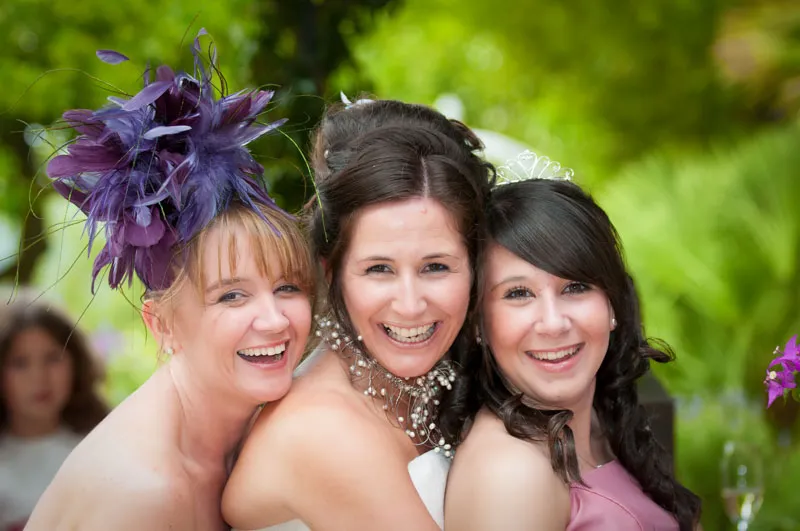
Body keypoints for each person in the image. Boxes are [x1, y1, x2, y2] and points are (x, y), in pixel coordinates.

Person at [25, 35, 315, 531]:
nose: (273, 319)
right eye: (231, 295)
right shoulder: (145, 495)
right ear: (161, 324)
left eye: (287, 287)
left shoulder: (248, 425)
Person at [222, 98, 494, 531]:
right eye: (378, 269)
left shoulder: (426, 385)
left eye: (436, 267)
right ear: (332, 273)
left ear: (476, 267)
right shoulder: (324, 432)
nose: (409, 304)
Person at [444, 153, 702, 530]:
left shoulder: (601, 421)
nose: (553, 323)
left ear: (612, 303)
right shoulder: (511, 473)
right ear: (478, 324)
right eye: (518, 293)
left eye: (575, 287)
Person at [0, 297, 108, 531]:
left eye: (53, 359)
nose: (39, 377)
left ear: (76, 363)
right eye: (20, 363)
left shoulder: (103, 446)